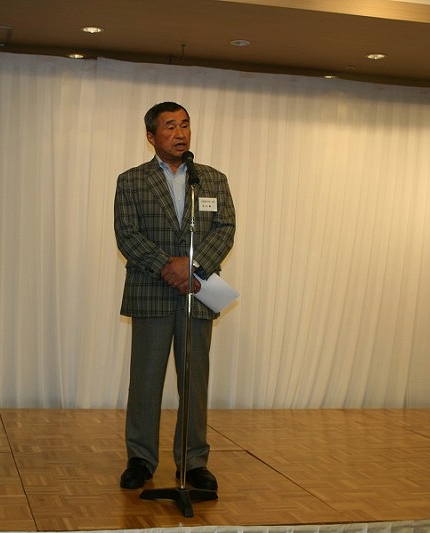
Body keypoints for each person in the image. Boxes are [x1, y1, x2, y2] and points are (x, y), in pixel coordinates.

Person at [114, 102, 236, 490]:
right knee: (145, 380)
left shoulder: (211, 179)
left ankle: (193, 461)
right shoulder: (131, 181)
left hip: (197, 291)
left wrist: (192, 266)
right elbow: (127, 234)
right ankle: (141, 459)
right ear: (151, 136)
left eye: (184, 125)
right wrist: (169, 266)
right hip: (151, 291)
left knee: (194, 382)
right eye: (170, 126)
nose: (180, 133)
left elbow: (225, 229)